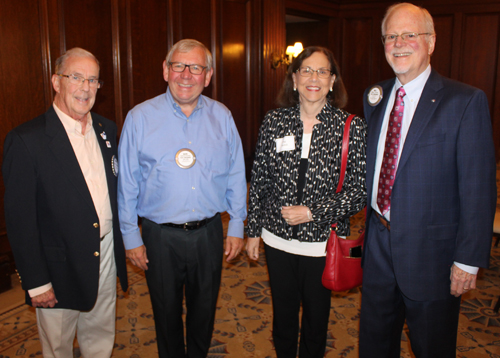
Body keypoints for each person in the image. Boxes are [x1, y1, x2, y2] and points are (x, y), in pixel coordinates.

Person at [359, 3, 497, 357]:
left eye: (410, 35)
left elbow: (478, 188)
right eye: (391, 36)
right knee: (374, 344)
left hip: (432, 257)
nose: (399, 43)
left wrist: (467, 260)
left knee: (431, 347)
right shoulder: (375, 96)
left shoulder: (464, 101)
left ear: (431, 42)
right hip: (378, 244)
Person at [117, 39, 247, 358]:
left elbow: (235, 174)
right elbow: (127, 183)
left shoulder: (223, 116)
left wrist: (237, 226)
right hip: (160, 238)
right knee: (165, 315)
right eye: (179, 65)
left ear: (208, 75)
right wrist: (131, 236)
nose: (186, 74)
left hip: (209, 233)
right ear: (165, 70)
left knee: (204, 313)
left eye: (196, 67)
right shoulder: (139, 118)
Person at [3, 47, 128, 358]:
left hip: (106, 253)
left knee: (100, 339)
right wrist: (36, 281)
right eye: (76, 77)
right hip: (58, 269)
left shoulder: (106, 129)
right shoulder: (27, 140)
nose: (85, 88)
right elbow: (20, 220)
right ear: (56, 82)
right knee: (58, 347)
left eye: (93, 80)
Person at [246, 46, 367, 358]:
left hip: (322, 243)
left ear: (332, 81)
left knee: (316, 319)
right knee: (282, 317)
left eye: (322, 71)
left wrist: (313, 212)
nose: (314, 77)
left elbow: (358, 192)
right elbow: (259, 181)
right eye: (306, 71)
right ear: (294, 79)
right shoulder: (274, 122)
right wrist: (253, 231)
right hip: (276, 240)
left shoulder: (350, 127)